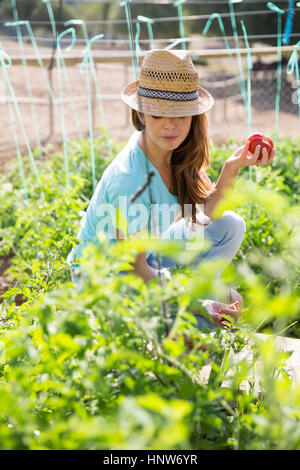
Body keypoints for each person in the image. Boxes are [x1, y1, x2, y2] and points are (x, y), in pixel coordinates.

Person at [67, 49, 275, 331]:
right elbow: (134, 269)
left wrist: (233, 166)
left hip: (148, 255)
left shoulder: (175, 151)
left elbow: (208, 213)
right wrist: (197, 301)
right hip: (107, 276)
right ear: (141, 114)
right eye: (158, 114)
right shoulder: (131, 180)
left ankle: (191, 297)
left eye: (180, 115)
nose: (170, 125)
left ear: (193, 115)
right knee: (204, 319)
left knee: (230, 225)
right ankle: (180, 319)